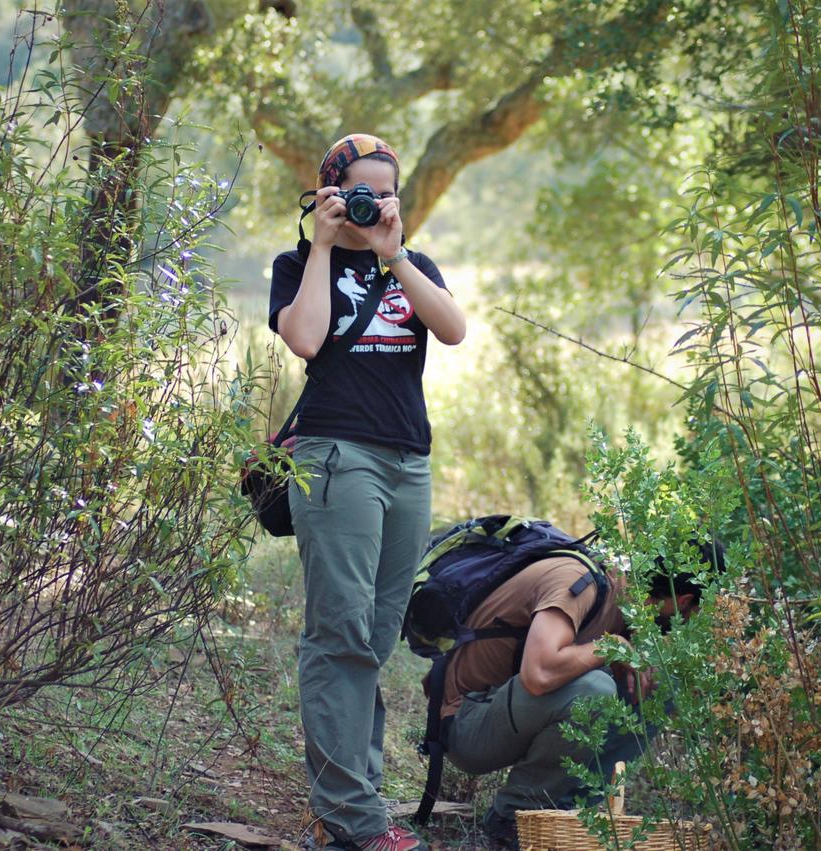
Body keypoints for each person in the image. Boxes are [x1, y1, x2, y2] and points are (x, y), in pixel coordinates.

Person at [268, 133, 466, 851]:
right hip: (336, 456)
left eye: (385, 191)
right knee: (340, 635)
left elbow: (452, 329)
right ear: (327, 191)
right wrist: (324, 247)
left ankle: (354, 801)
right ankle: (353, 818)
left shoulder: (410, 263)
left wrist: (395, 254)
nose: (372, 202)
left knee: (376, 636)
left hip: (408, 462)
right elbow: (306, 340)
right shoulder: (296, 263)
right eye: (359, 190)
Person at [439, 541, 725, 848]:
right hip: (466, 725)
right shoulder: (580, 582)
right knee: (595, 690)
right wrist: (611, 646)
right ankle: (514, 816)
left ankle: (557, 810)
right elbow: (538, 675)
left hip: (510, 715)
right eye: (696, 612)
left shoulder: (626, 604)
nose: (689, 623)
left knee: (663, 687)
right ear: (683, 601)